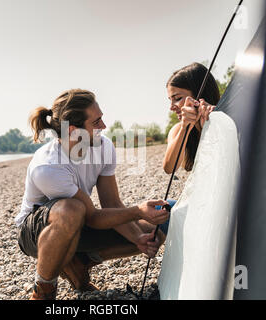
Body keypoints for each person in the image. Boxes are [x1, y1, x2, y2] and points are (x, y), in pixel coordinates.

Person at [16, 89, 171, 300]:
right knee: (72, 209)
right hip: (36, 233)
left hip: (79, 223)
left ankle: (81, 262)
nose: (104, 127)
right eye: (96, 122)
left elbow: (111, 203)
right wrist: (138, 211)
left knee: (155, 229)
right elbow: (93, 217)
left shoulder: (103, 146)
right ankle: (44, 290)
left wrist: (139, 239)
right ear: (73, 131)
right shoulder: (48, 166)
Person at [163, 62, 220, 174]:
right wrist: (185, 128)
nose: (171, 107)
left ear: (199, 95)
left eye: (178, 98)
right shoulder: (178, 130)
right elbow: (169, 168)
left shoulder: (225, 120)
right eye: (170, 100)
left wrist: (215, 124)